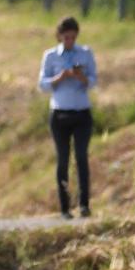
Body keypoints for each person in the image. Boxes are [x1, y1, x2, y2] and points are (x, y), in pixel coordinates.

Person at [38, 16, 98, 218]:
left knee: (81, 157)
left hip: (81, 112)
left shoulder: (85, 53)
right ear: (60, 37)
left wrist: (80, 76)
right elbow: (42, 84)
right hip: (60, 113)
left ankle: (84, 204)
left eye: (73, 37)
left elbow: (93, 81)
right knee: (63, 159)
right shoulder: (51, 56)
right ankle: (64, 207)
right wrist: (60, 77)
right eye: (66, 37)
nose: (70, 41)